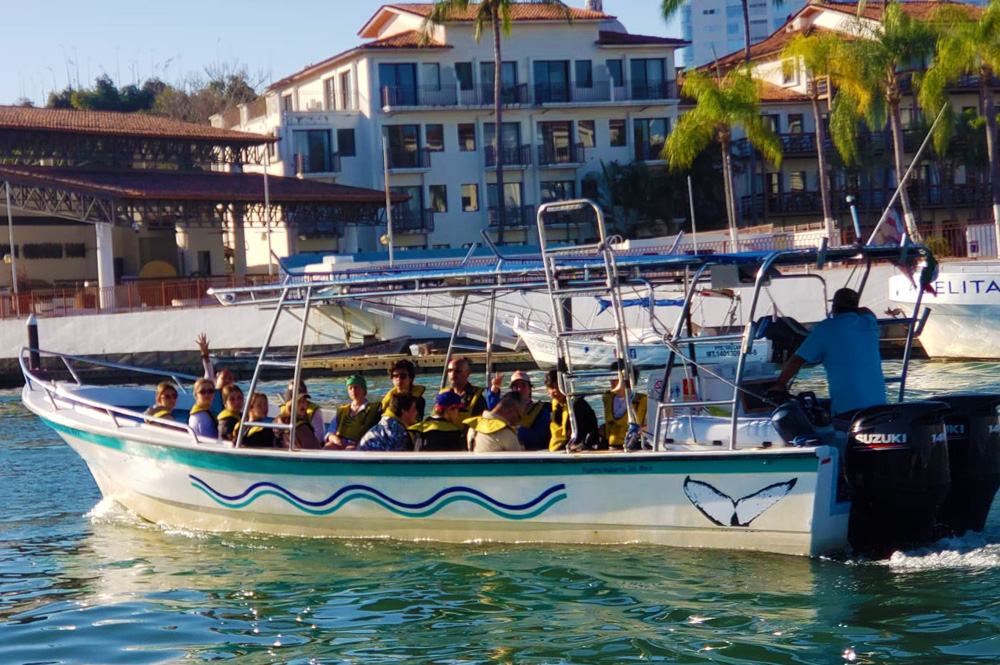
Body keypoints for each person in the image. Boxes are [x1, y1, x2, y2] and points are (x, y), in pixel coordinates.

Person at [772, 287, 886, 425]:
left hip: (848, 408)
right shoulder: (869, 323)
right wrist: (854, 308)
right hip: (879, 405)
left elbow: (798, 359)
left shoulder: (826, 327)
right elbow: (867, 311)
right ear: (855, 307)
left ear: (834, 307)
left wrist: (779, 385)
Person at [486, 370, 551, 450]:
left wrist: (515, 430)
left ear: (530, 388)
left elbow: (540, 437)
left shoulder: (541, 410)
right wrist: (494, 389)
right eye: (515, 386)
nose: (519, 389)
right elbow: (494, 413)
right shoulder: (507, 408)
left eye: (523, 385)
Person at [546, 369, 602, 452]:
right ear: (547, 391)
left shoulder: (577, 405)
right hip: (556, 449)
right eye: (552, 388)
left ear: (565, 387)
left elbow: (581, 435)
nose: (555, 391)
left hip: (576, 447)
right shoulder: (554, 406)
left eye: (558, 387)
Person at [324, 375, 379, 450]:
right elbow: (330, 432)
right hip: (340, 443)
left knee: (350, 450)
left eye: (356, 387)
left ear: (364, 390)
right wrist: (336, 440)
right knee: (328, 447)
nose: (353, 390)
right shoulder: (342, 410)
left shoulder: (373, 410)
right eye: (350, 388)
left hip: (360, 445)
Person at [601, 367, 648, 450]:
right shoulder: (607, 399)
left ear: (629, 380)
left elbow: (652, 426)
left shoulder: (643, 401)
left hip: (633, 446)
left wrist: (639, 431)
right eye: (611, 377)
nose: (612, 381)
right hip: (610, 445)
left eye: (616, 378)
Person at [196, 333, 234, 416]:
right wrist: (205, 355)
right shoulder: (211, 392)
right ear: (216, 379)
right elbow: (209, 370)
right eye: (224, 378)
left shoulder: (234, 398)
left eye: (230, 379)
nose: (227, 380)